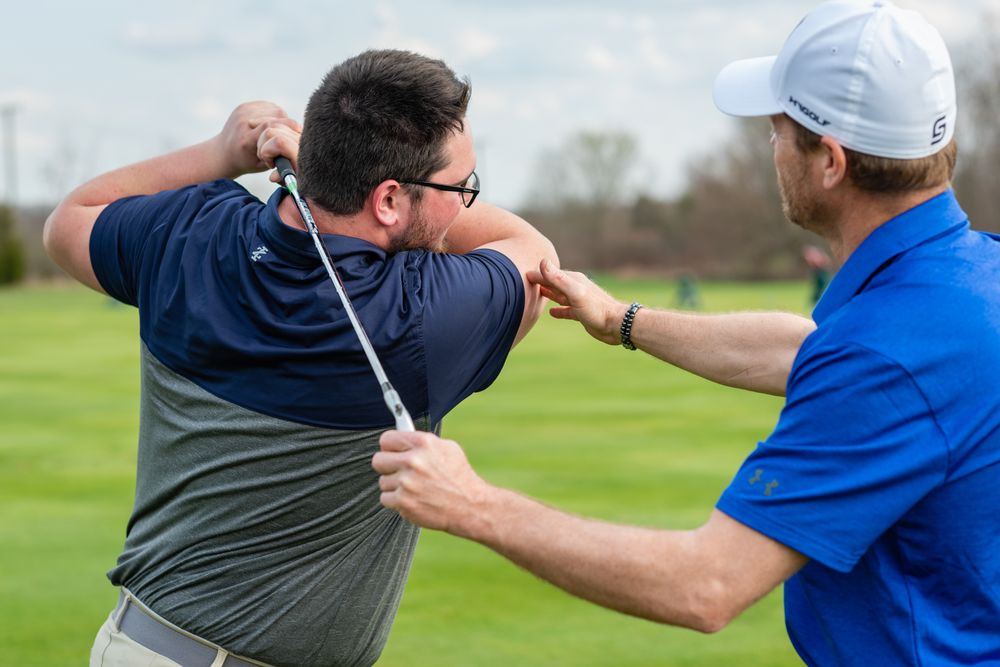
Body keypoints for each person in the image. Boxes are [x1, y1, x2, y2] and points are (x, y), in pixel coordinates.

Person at [372, 2, 1000, 664]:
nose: (771, 147)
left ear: (831, 162)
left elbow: (705, 584)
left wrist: (472, 505)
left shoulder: (884, 355)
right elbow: (809, 352)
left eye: (778, 130)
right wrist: (622, 320)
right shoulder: (967, 279)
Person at [44, 49, 556, 667]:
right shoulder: (417, 317)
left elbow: (69, 221)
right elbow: (533, 251)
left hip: (137, 645)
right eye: (461, 187)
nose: (466, 205)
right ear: (388, 199)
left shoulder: (190, 229)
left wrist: (222, 153)